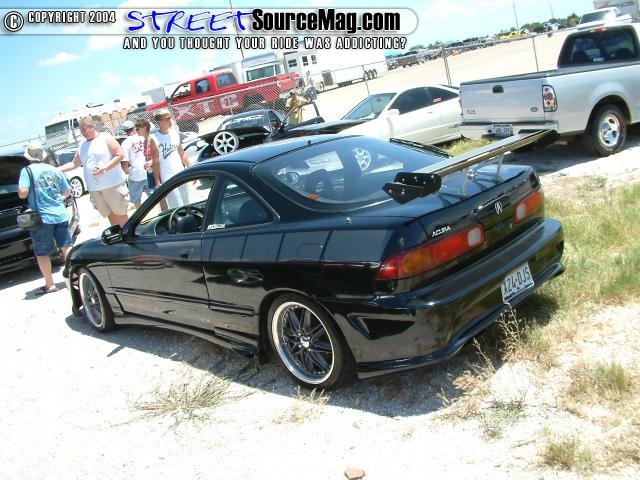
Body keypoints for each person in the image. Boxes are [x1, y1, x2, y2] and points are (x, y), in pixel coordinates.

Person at [18, 142, 73, 295]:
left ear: (29, 156)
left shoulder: (27, 171)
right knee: (66, 246)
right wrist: (56, 197)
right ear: (42, 155)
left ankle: (50, 284)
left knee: (42, 252)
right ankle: (73, 277)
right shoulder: (54, 169)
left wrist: (23, 193)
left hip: (41, 217)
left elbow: (23, 192)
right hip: (60, 214)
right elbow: (67, 191)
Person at [59, 117, 129, 226]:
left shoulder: (105, 138)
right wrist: (56, 169)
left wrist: (105, 168)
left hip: (113, 185)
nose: (83, 132)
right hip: (95, 189)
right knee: (111, 217)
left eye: (85, 129)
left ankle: (128, 235)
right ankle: (118, 235)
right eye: (81, 130)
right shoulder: (82, 144)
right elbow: (74, 163)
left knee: (121, 216)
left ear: (93, 126)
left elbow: (120, 154)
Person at [152, 108, 191, 209]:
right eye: (167, 118)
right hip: (167, 176)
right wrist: (157, 181)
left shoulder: (175, 133)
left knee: (187, 203)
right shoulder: (154, 138)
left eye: (170, 117)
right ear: (159, 121)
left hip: (180, 172)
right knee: (176, 206)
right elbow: (155, 160)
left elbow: (181, 152)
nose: (170, 120)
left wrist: (190, 168)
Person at [120, 119, 150, 209]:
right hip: (148, 170)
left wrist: (123, 175)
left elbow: (125, 163)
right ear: (134, 128)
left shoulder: (125, 143)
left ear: (125, 131)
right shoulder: (142, 137)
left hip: (135, 175)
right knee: (156, 196)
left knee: (136, 200)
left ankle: (141, 215)